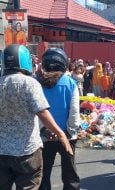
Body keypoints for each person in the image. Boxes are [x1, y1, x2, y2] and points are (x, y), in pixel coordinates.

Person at [0, 44, 72, 190]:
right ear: (25, 61)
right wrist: (60, 134)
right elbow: (42, 112)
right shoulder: (30, 83)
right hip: (28, 152)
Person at [38, 48, 81, 190]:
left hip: (45, 137)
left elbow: (35, 110)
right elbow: (74, 112)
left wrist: (43, 130)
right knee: (70, 175)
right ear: (63, 63)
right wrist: (69, 131)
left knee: (43, 175)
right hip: (67, 137)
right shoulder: (70, 83)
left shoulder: (37, 83)